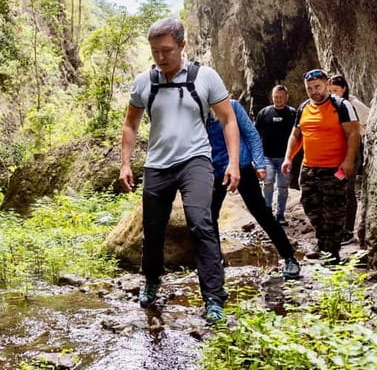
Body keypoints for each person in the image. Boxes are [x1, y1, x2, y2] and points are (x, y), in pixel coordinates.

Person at [119, 17, 240, 322]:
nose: (161, 57)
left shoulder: (206, 77)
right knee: (154, 230)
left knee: (201, 223)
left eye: (167, 50)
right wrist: (125, 163)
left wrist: (234, 162)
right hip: (157, 164)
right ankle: (151, 280)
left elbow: (228, 119)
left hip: (195, 160)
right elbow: (130, 123)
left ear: (182, 45)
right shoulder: (144, 81)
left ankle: (213, 297)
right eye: (155, 51)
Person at [208, 99, 300, 279]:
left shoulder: (231, 106)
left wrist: (259, 164)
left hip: (241, 166)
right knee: (209, 216)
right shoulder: (196, 111)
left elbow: (251, 134)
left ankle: (289, 258)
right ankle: (215, 262)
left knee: (261, 212)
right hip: (214, 169)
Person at [281, 69, 360, 264]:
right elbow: (296, 135)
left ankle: (331, 254)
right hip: (309, 168)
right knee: (311, 207)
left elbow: (353, 133)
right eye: (309, 88)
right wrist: (288, 158)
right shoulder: (304, 108)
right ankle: (323, 244)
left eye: (317, 87)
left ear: (326, 84)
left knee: (334, 211)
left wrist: (349, 160)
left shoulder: (341, 106)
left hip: (335, 168)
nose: (313, 91)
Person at [328, 75, 370, 245]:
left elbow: (369, 118)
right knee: (337, 188)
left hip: (351, 153)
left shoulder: (353, 103)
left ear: (344, 88)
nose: (333, 94)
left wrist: (357, 134)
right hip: (336, 153)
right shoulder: (332, 104)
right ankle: (338, 228)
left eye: (336, 91)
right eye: (330, 91)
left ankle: (348, 231)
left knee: (347, 189)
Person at [255, 85, 297, 226]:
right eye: (275, 97)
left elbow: (298, 136)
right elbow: (255, 135)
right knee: (268, 183)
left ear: (286, 97)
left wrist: (291, 157)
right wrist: (256, 157)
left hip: (285, 157)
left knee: (283, 187)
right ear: (272, 97)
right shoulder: (264, 113)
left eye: (281, 97)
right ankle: (267, 213)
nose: (278, 99)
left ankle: (280, 214)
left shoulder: (292, 114)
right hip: (267, 156)